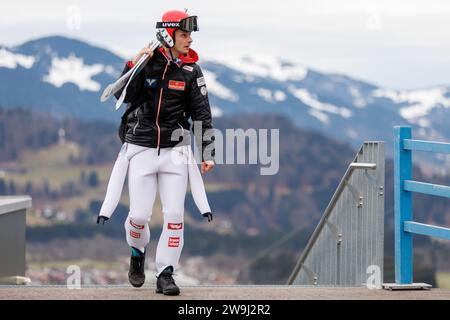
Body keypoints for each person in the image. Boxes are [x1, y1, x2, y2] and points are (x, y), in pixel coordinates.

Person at [97, 9, 215, 296]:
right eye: (184, 34)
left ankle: (165, 274)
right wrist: (133, 65)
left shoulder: (191, 71)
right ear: (168, 33)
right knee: (138, 216)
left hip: (176, 152)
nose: (189, 40)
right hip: (141, 150)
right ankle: (137, 252)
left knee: (175, 215)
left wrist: (206, 151)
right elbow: (121, 96)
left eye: (190, 35)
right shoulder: (146, 64)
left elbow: (202, 113)